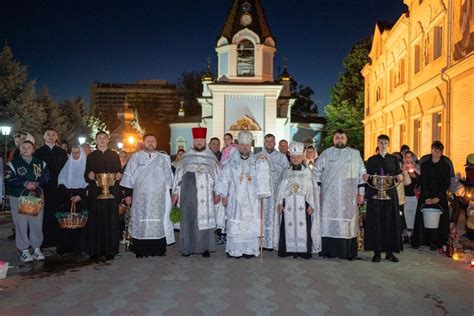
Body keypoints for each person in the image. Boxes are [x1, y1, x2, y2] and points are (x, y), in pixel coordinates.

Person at [215, 131, 271, 258]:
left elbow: (263, 180)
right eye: (242, 145)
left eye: (247, 145)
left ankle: (249, 250)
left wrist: (264, 171)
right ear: (238, 145)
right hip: (236, 200)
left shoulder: (257, 161)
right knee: (236, 225)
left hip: (252, 200)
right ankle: (235, 250)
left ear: (250, 145)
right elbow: (224, 178)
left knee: (250, 225)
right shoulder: (231, 162)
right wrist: (223, 195)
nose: (244, 147)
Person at [121, 134, 175, 258]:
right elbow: (128, 176)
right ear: (144, 143)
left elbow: (169, 178)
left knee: (157, 223)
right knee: (141, 222)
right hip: (141, 197)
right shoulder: (136, 157)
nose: (151, 142)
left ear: (156, 143)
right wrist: (128, 194)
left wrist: (171, 194)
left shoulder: (164, 158)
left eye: (153, 140)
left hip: (159, 197)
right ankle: (141, 250)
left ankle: (158, 249)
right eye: (148, 141)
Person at [315, 129, 366, 260]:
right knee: (328, 221)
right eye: (337, 137)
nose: (339, 140)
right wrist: (318, 192)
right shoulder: (326, 154)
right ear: (333, 139)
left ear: (346, 139)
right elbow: (316, 172)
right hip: (329, 196)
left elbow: (361, 173)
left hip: (348, 196)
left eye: (342, 137)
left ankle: (347, 252)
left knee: (347, 222)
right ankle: (328, 251)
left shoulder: (354, 154)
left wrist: (361, 194)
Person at [172, 127, 219, 257]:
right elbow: (178, 175)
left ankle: (204, 248)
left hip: (206, 195)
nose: (199, 142)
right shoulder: (186, 156)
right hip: (188, 193)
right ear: (193, 141)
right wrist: (175, 192)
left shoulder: (211, 157)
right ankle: (187, 248)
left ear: (205, 141)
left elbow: (218, 177)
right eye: (197, 139)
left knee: (204, 220)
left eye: (201, 140)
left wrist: (217, 193)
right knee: (188, 219)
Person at [5, 141, 50, 262]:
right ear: (20, 149)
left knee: (36, 223)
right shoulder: (13, 163)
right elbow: (8, 178)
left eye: (28, 148)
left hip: (35, 196)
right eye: (23, 147)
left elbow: (46, 177)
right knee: (21, 223)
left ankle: (36, 248)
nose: (26, 149)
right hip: (18, 197)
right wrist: (25, 183)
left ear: (33, 149)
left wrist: (37, 183)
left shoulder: (41, 163)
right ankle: (24, 250)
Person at [276, 142, 320, 259]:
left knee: (304, 227)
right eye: (293, 157)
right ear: (290, 157)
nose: (295, 159)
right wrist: (280, 203)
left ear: (302, 157)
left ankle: (303, 251)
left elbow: (312, 189)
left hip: (303, 204)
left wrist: (311, 205)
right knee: (287, 226)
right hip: (288, 204)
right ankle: (288, 251)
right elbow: (281, 189)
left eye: (298, 156)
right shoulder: (286, 172)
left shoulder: (308, 173)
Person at [363, 134, 403, 263]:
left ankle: (390, 252)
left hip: (390, 194)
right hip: (375, 194)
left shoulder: (394, 159)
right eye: (380, 142)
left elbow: (398, 173)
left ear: (388, 144)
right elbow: (368, 175)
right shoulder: (372, 159)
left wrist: (400, 176)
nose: (383, 145)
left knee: (390, 222)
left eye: (385, 142)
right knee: (376, 223)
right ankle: (377, 252)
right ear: (377, 144)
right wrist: (366, 177)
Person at [84, 131, 122, 260]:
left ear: (108, 140)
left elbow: (119, 171)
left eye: (104, 138)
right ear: (96, 140)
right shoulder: (91, 156)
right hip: (96, 192)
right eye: (99, 138)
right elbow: (86, 175)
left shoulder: (114, 155)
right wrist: (89, 176)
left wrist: (119, 175)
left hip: (111, 192)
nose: (102, 140)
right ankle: (95, 250)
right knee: (96, 221)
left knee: (111, 220)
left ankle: (110, 250)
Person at [411, 141, 451, 250]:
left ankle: (437, 242)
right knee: (422, 218)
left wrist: (438, 197)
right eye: (435, 150)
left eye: (439, 151)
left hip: (440, 196)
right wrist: (428, 197)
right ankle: (422, 240)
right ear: (431, 150)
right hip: (426, 195)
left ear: (442, 152)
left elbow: (446, 183)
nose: (436, 153)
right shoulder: (425, 165)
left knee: (440, 220)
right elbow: (424, 181)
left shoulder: (445, 166)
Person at [33, 128, 68, 250]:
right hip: (44, 188)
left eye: (53, 134)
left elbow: (66, 170)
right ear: (44, 136)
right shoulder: (38, 153)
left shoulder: (62, 153)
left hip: (59, 188)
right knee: (44, 214)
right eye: (48, 134)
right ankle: (44, 240)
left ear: (56, 136)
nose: (51, 136)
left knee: (58, 212)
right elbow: (36, 171)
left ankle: (58, 240)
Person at [255, 133, 288, 250]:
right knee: (261, 217)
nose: (269, 143)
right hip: (261, 194)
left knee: (273, 217)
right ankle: (261, 243)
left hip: (275, 192)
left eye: (271, 141)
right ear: (264, 142)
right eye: (267, 141)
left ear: (275, 142)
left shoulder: (281, 157)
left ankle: (271, 243)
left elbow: (286, 175)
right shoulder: (257, 156)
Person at [57, 145, 88, 255]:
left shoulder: (86, 166)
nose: (75, 155)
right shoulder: (68, 165)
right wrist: (68, 195)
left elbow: (89, 185)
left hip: (81, 199)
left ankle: (79, 247)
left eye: (77, 153)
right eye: (73, 153)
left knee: (80, 224)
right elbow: (61, 181)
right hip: (68, 198)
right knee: (67, 223)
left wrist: (80, 196)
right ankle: (67, 246)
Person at [401, 151, 420, 240]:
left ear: (413, 158)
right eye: (406, 157)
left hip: (414, 195)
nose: (408, 159)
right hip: (405, 195)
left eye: (410, 157)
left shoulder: (416, 167)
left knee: (413, 215)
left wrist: (414, 176)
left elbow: (420, 180)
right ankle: (406, 235)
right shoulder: (401, 167)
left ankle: (412, 235)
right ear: (404, 158)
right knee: (405, 215)